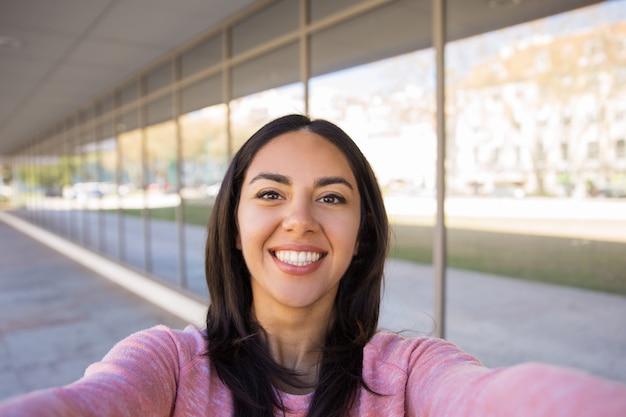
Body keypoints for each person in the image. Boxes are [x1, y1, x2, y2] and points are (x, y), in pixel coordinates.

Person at [1, 114, 625, 417]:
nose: (300, 220)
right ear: (234, 225)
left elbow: (500, 400)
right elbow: (82, 403)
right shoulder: (167, 367)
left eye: (331, 198)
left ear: (363, 233)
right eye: (271, 194)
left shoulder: (409, 375)